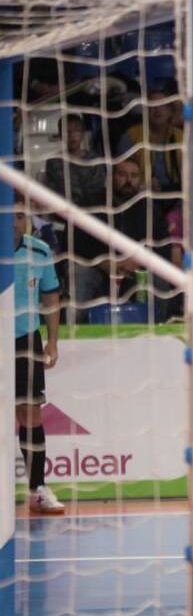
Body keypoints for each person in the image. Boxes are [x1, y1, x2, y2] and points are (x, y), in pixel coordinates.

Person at [67, 159, 174, 322]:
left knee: (160, 279)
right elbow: (75, 241)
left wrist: (138, 261)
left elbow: (163, 247)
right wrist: (102, 261)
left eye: (134, 176)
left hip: (137, 269)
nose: (129, 181)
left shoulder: (150, 208)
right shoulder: (91, 203)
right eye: (123, 174)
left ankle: (162, 328)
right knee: (80, 273)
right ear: (111, 177)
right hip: (98, 266)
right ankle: (73, 329)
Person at [12, 205, 64, 515]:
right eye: (9, 214)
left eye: (21, 216)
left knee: (30, 415)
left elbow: (51, 297)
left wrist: (53, 341)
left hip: (25, 340)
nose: (15, 222)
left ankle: (37, 488)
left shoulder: (40, 251)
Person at [118, 87, 184, 194]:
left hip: (176, 194)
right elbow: (121, 174)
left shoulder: (181, 137)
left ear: (170, 112)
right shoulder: (130, 136)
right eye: (152, 105)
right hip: (141, 194)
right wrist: (143, 183)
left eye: (162, 105)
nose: (157, 110)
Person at [43, 114, 105, 209]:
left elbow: (98, 191)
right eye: (67, 131)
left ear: (83, 133)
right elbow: (53, 193)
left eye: (76, 131)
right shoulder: (53, 162)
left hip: (92, 213)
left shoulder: (95, 160)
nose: (72, 135)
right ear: (60, 135)